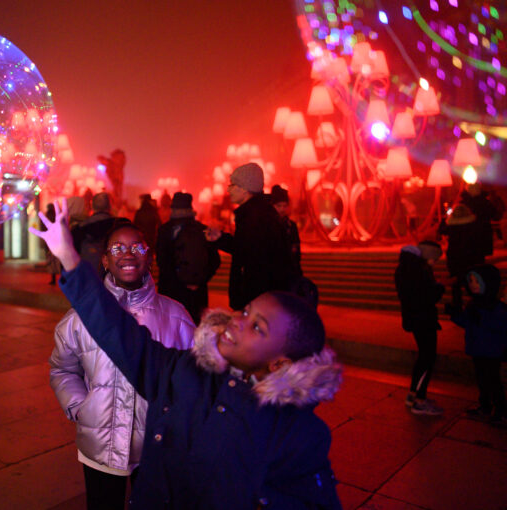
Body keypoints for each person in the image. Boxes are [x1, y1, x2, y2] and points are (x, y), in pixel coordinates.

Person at [32, 199, 342, 509]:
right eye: (246, 311)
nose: (238, 320)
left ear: (280, 363)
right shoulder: (189, 374)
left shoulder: (297, 434)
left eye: (257, 327)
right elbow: (120, 337)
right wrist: (70, 259)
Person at [50, 222, 194, 510]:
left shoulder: (176, 316)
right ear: (104, 260)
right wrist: (80, 407)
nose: (127, 254)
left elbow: (193, 378)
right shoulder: (79, 319)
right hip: (100, 445)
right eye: (117, 248)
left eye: (136, 247)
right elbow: (63, 368)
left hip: (157, 448)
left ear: (149, 256)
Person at [207, 163, 291, 310]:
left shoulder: (254, 216)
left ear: (245, 189)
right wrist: (221, 238)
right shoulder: (257, 212)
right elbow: (244, 247)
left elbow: (251, 256)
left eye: (232, 185)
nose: (228, 189)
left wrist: (245, 297)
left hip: (256, 296)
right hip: (260, 295)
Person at [448, 264, 507, 425]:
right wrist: (455, 315)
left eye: (477, 281)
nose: (473, 284)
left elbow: (499, 326)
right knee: (482, 379)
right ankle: (485, 406)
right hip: (477, 349)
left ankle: (501, 410)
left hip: (492, 351)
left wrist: (481, 319)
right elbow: (468, 323)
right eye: (471, 281)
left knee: (493, 381)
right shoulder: (474, 304)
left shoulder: (497, 307)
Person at [394, 242, 446, 415]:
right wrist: (439, 287)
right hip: (423, 319)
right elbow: (427, 296)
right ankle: (420, 400)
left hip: (415, 319)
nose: (434, 263)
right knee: (427, 358)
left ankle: (413, 395)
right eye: (434, 259)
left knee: (424, 357)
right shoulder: (419, 272)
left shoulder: (405, 269)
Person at [156, 191, 220, 324]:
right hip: (197, 293)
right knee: (195, 330)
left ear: (172, 209)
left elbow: (162, 261)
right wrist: (200, 280)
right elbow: (215, 260)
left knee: (172, 330)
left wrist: (176, 282)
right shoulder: (203, 230)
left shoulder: (164, 230)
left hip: (172, 291)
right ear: (191, 209)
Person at [440, 203, 484, 310]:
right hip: (470, 256)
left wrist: (445, 218)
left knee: (456, 284)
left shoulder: (452, 226)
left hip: (455, 257)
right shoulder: (473, 225)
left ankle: (457, 306)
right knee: (472, 282)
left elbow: (441, 230)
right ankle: (475, 305)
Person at [72, 192, 119, 277]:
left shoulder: (80, 229)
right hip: (115, 280)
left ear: (92, 206)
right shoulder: (120, 226)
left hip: (89, 278)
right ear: (110, 206)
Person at [270, 184, 302, 279]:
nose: (282, 209)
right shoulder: (267, 225)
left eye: (284, 206)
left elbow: (296, 251)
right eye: (278, 206)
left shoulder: (291, 226)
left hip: (289, 271)